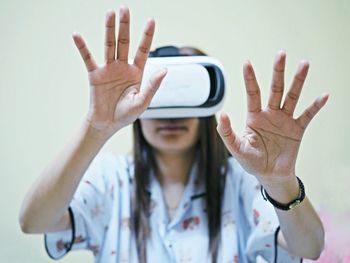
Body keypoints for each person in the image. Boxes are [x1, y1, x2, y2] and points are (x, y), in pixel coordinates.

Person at [19, 6, 328, 263]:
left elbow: (309, 248)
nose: (172, 113)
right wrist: (95, 128)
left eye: (185, 92)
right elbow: (33, 222)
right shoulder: (109, 180)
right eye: (159, 96)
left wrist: (280, 181)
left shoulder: (242, 182)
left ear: (206, 102)